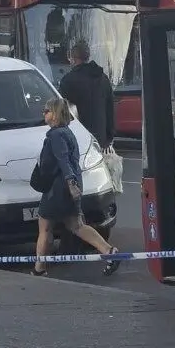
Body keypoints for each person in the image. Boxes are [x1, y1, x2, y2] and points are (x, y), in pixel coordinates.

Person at [31, 97, 121, 277]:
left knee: (45, 227)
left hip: (57, 190)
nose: (44, 114)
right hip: (70, 186)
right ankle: (108, 251)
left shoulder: (55, 135)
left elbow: (63, 161)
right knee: (77, 225)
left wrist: (70, 183)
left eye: (47, 111)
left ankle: (39, 268)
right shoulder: (68, 133)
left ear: (55, 115)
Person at [58, 40, 115, 150]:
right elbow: (110, 108)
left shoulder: (68, 81)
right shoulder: (103, 78)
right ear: (87, 57)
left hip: (78, 137)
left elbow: (62, 111)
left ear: (73, 59)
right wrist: (109, 136)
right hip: (101, 137)